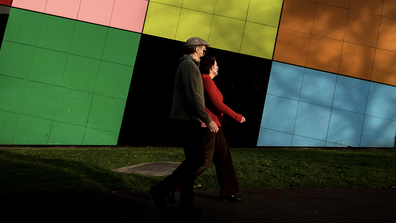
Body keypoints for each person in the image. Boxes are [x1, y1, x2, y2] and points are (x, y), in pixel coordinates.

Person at [150, 37, 219, 216]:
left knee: (194, 160)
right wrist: (207, 119)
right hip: (187, 120)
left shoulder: (190, 66)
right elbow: (192, 96)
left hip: (190, 119)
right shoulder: (188, 66)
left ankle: (186, 204)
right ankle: (162, 189)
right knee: (196, 159)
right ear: (196, 49)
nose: (204, 52)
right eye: (203, 49)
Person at [198, 55, 246, 201]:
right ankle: (171, 186)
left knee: (224, 157)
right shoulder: (206, 80)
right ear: (210, 67)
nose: (218, 68)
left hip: (215, 125)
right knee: (203, 161)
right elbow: (217, 103)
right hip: (209, 126)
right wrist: (236, 116)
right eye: (216, 65)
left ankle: (228, 191)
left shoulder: (208, 81)